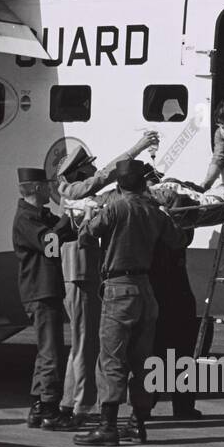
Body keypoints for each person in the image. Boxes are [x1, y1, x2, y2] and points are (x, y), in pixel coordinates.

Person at [73, 159, 190, 446]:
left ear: (120, 185)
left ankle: (108, 426)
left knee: (112, 359)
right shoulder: (155, 212)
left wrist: (88, 216)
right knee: (142, 360)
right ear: (141, 183)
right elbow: (178, 240)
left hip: (118, 289)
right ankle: (137, 424)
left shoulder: (115, 207)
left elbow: (86, 237)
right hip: (145, 290)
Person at [54, 132, 159, 430]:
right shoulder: (73, 190)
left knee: (85, 344)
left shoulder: (89, 196)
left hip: (86, 273)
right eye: (86, 168)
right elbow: (105, 176)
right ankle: (82, 406)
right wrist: (137, 148)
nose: (93, 172)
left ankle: (72, 402)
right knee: (89, 343)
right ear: (75, 173)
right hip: (81, 272)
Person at [13, 166, 76, 430]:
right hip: (40, 291)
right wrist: (67, 213)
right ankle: (49, 409)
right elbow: (50, 244)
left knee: (45, 353)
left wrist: (68, 219)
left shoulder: (37, 216)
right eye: (47, 185)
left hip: (44, 290)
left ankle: (39, 408)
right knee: (50, 353)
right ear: (37, 188)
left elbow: (67, 234)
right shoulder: (26, 219)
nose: (50, 189)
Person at [143, 167, 203, 419]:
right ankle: (181, 405)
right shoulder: (168, 220)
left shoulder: (150, 216)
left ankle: (148, 404)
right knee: (180, 351)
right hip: (174, 291)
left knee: (157, 350)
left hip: (161, 291)